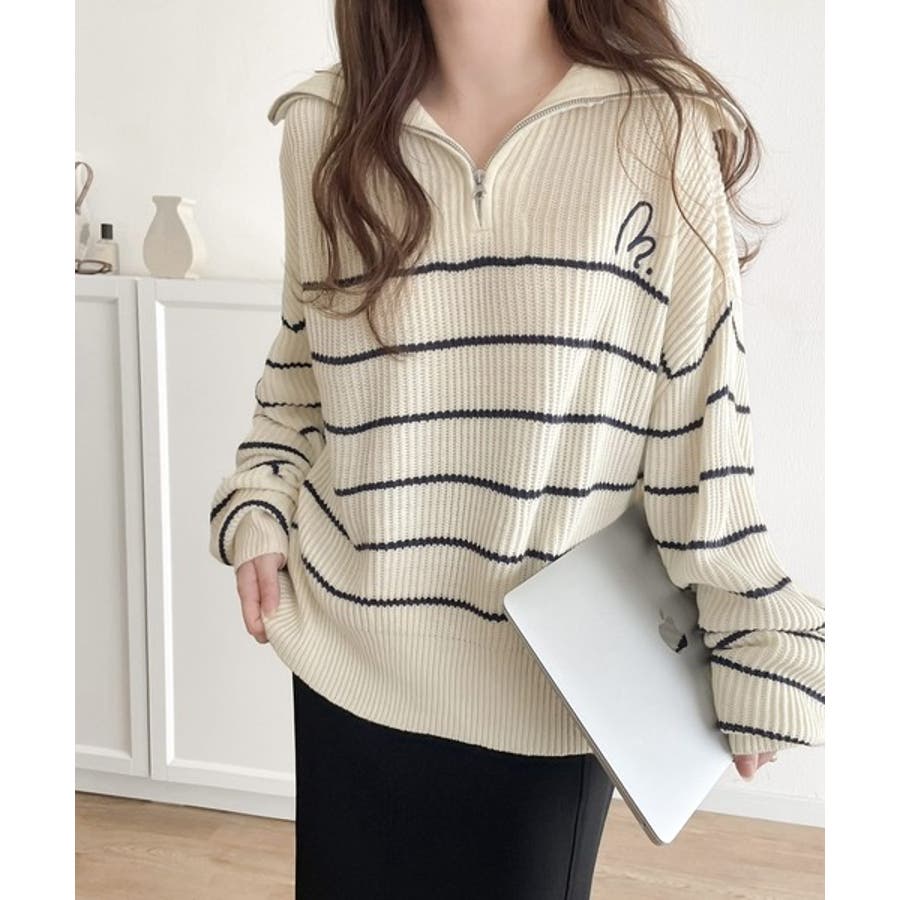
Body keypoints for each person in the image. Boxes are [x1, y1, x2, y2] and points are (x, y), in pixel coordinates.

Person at [208, 1, 825, 896]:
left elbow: (701, 419)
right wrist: (260, 500)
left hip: (548, 687)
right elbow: (303, 368)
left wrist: (752, 631)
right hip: (349, 661)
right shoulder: (323, 125)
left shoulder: (659, 128)